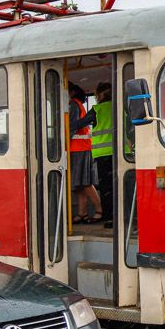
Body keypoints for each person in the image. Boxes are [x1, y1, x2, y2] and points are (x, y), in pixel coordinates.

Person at [68, 83, 102, 223]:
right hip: (77, 148)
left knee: (85, 182)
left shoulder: (74, 105)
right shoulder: (76, 105)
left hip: (80, 148)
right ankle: (82, 213)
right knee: (78, 184)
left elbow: (72, 127)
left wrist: (61, 143)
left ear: (72, 92)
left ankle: (99, 209)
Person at [90, 82, 115, 229]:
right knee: (118, 186)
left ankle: (110, 217)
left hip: (103, 154)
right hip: (121, 153)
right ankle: (121, 215)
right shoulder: (120, 107)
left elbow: (79, 123)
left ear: (100, 95)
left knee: (106, 188)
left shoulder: (97, 110)